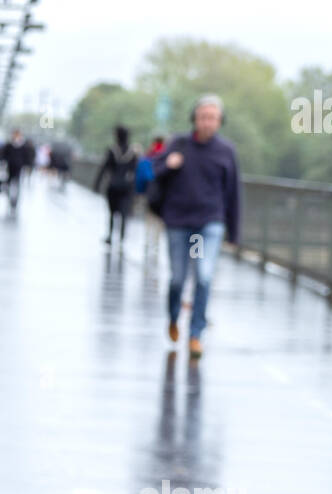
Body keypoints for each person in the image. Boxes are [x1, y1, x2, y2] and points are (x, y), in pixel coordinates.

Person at [150, 95, 241, 359]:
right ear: (194, 119)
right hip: (179, 222)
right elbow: (152, 170)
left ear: (219, 121)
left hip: (207, 224)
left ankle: (195, 334)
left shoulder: (226, 151)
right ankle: (173, 316)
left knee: (203, 275)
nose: (207, 122)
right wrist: (168, 164)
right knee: (178, 278)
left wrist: (235, 231)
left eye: (212, 117)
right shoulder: (178, 144)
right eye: (203, 117)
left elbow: (234, 192)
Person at [94, 126, 139, 245]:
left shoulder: (112, 150)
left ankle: (110, 235)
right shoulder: (132, 152)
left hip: (113, 185)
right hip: (127, 186)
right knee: (124, 212)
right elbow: (135, 170)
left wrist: (97, 184)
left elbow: (104, 167)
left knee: (112, 212)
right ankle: (122, 237)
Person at [137, 135, 167, 263]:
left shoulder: (148, 157)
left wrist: (140, 191)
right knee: (159, 221)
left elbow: (141, 175)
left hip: (150, 193)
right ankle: (156, 243)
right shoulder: (167, 155)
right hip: (164, 195)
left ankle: (148, 242)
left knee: (150, 218)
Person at [1, 128, 33, 210]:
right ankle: (10, 199)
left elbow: (27, 157)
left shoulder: (23, 146)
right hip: (10, 167)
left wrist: (27, 166)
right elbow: (4, 155)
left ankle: (15, 201)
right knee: (8, 183)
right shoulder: (9, 145)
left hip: (19, 167)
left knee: (17, 184)